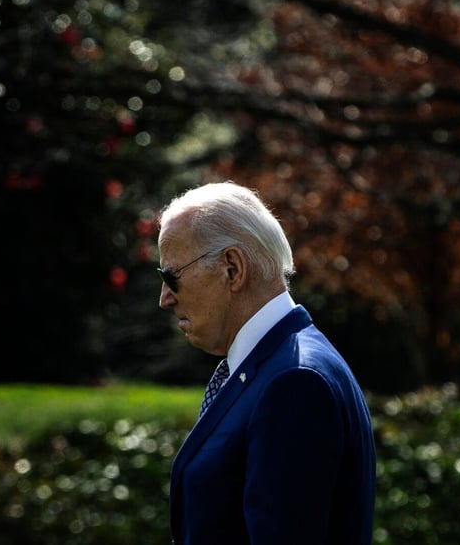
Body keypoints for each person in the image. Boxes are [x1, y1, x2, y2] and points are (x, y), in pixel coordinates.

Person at [157, 181, 376, 545]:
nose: (164, 298)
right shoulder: (282, 365)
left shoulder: (294, 382)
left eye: (171, 277)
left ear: (232, 268)